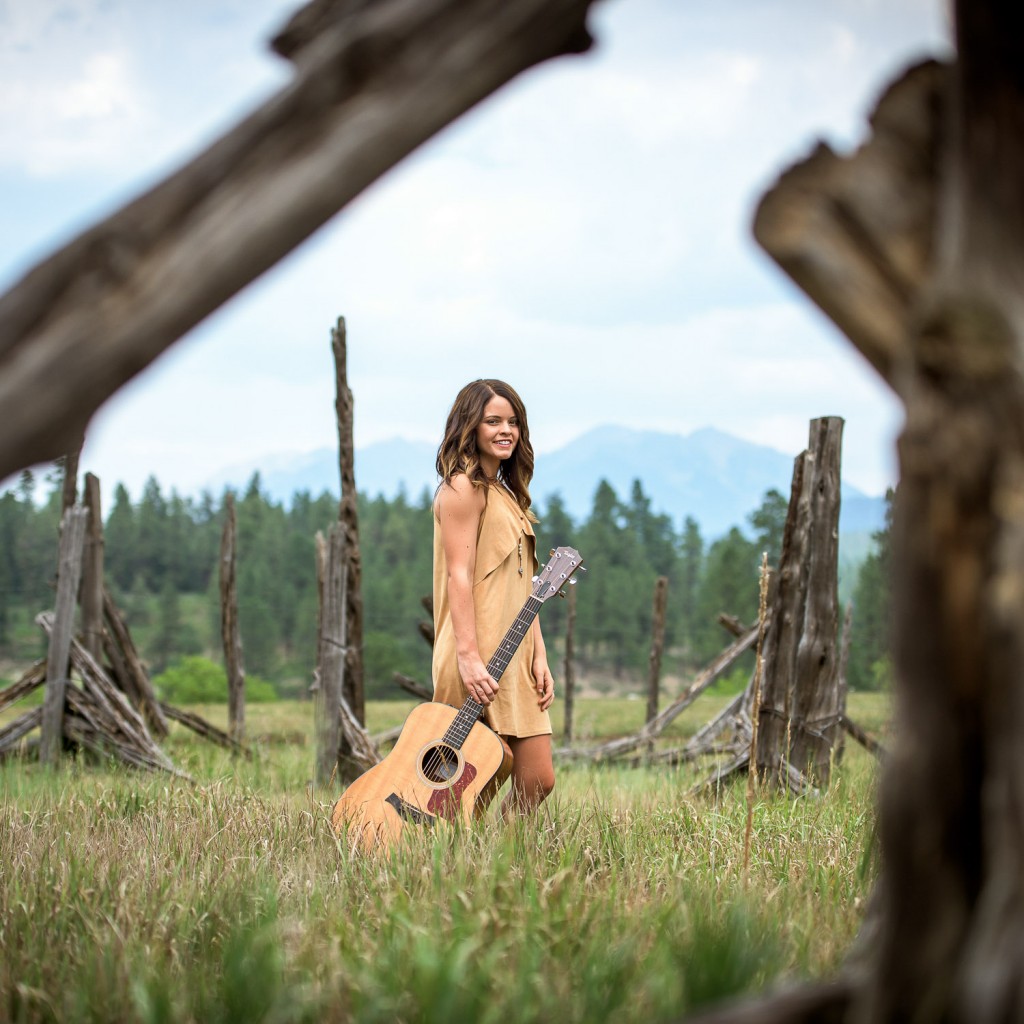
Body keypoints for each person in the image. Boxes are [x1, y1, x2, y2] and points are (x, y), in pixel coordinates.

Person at [432, 378, 555, 817]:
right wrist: (467, 656)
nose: (506, 430)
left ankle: (502, 859)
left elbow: (525, 586)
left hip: (516, 653)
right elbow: (458, 576)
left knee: (538, 779)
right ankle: (460, 861)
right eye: (493, 421)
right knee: (473, 778)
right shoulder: (463, 488)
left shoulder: (509, 494)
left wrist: (539, 655)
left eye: (513, 421)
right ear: (471, 425)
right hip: (477, 652)